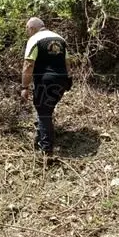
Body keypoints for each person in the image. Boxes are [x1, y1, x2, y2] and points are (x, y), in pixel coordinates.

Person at [20, 17, 72, 154]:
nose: (27, 33)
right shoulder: (60, 39)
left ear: (32, 28)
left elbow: (29, 64)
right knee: (45, 109)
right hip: (62, 80)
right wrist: (68, 79)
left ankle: (46, 150)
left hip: (45, 80)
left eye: (27, 29)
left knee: (43, 112)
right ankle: (41, 133)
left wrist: (24, 87)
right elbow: (67, 62)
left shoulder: (34, 39)